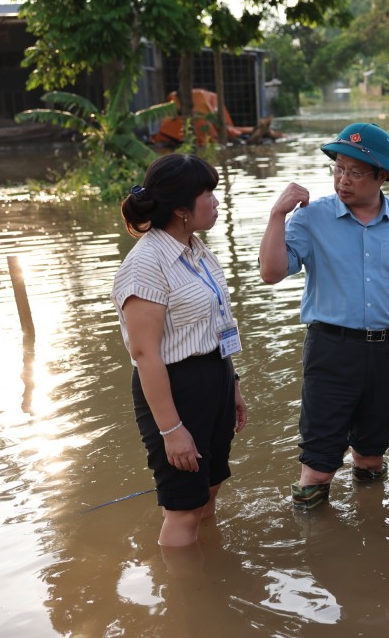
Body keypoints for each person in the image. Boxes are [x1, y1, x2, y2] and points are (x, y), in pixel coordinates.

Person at [259, 122, 389, 511]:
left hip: (385, 353)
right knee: (318, 466)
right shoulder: (311, 218)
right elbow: (271, 273)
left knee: (372, 456)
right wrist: (277, 215)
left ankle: (371, 531)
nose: (343, 180)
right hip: (330, 351)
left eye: (355, 172)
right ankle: (316, 548)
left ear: (381, 176)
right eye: (338, 168)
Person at [111, 154, 248, 550]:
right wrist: (172, 431)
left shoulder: (196, 249)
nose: (216, 202)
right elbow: (145, 354)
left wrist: (232, 384)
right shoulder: (146, 265)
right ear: (181, 209)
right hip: (174, 388)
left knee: (209, 489)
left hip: (214, 376)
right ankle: (185, 602)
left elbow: (215, 322)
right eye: (209, 194)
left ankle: (210, 572)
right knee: (183, 507)